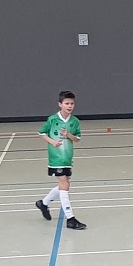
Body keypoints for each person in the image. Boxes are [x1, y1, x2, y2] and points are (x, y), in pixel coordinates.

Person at [35, 90, 86, 230]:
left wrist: (68, 134)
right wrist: (52, 142)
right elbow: (41, 133)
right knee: (64, 184)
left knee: (65, 184)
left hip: (67, 158)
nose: (69, 106)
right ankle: (70, 219)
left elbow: (77, 139)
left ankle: (43, 203)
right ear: (60, 104)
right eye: (66, 103)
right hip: (55, 158)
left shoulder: (75, 121)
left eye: (72, 103)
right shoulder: (52, 119)